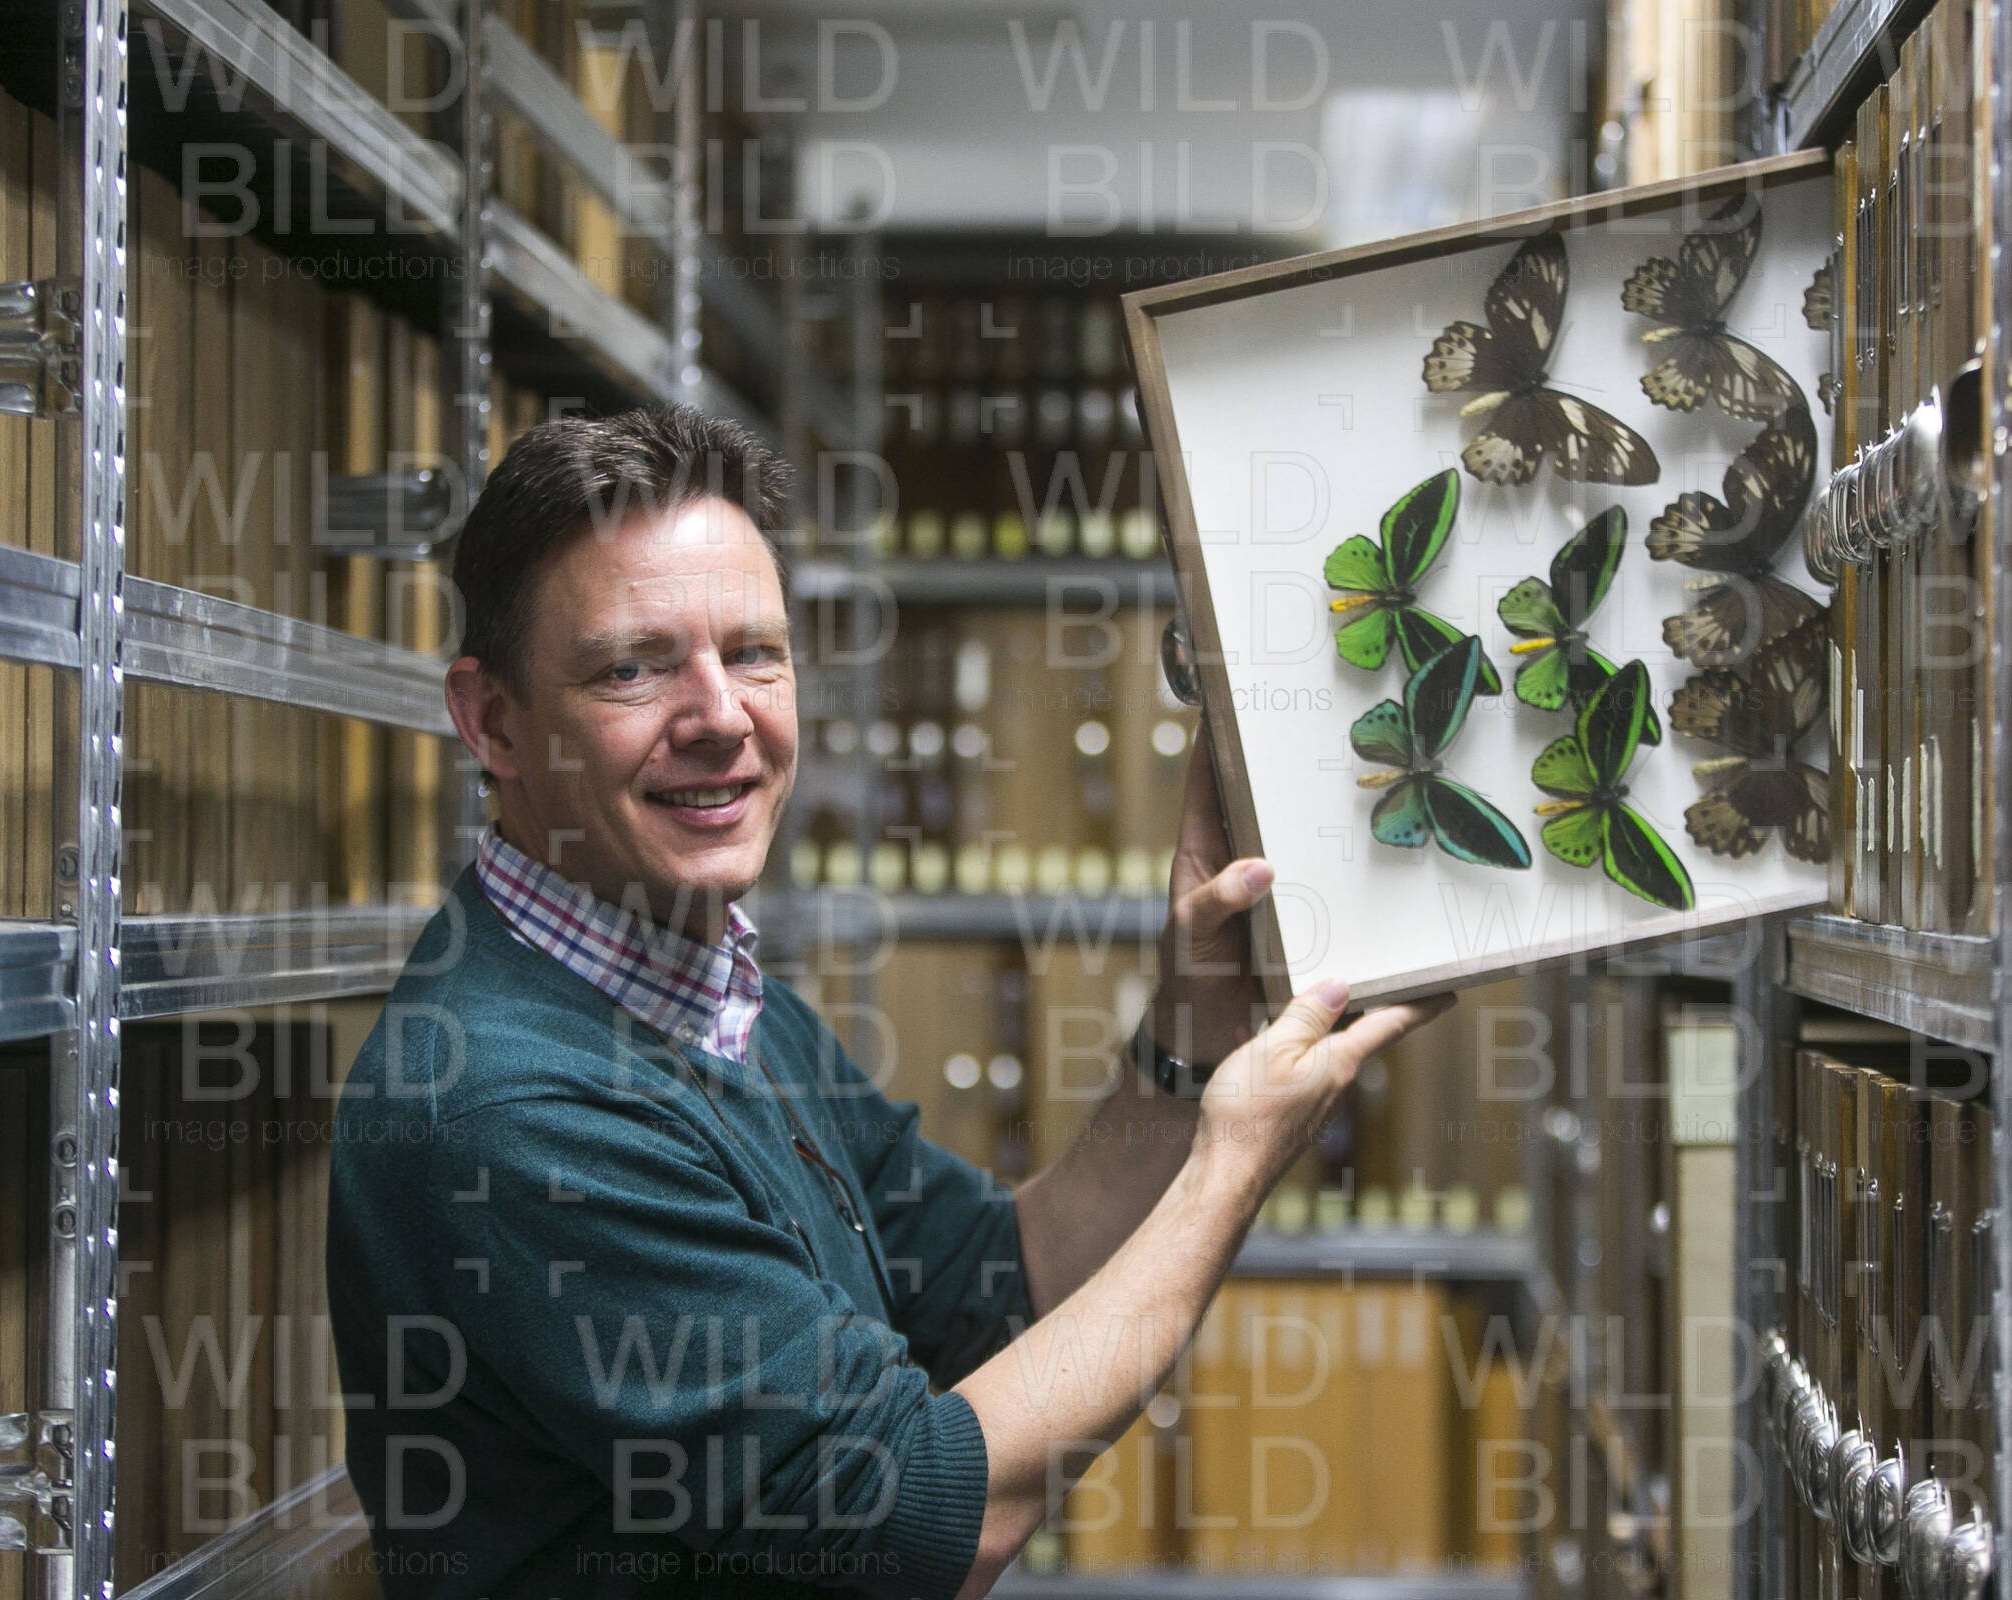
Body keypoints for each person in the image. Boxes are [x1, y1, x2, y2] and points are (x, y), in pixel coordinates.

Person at [325, 406, 1448, 1598]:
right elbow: (914, 1523)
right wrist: (1233, 1163)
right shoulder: (512, 1111)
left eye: (754, 652)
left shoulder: (710, 993)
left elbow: (997, 1282)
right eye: (632, 668)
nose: (721, 716)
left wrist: (1193, 1032)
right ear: (493, 721)